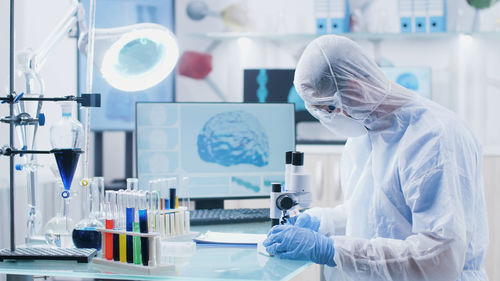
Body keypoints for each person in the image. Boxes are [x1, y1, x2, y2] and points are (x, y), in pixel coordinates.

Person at [263, 35, 489, 281]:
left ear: (355, 89)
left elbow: (440, 258)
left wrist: (331, 249)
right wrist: (323, 222)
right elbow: (376, 215)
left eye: (328, 108)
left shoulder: (435, 138)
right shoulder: (364, 132)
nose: (328, 118)